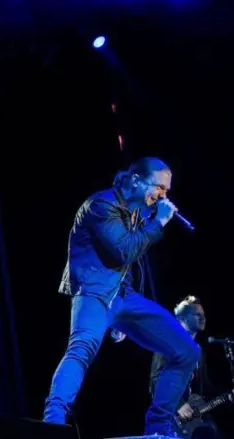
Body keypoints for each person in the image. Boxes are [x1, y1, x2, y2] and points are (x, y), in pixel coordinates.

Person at [42, 157, 200, 436]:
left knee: (186, 350)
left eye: (166, 191)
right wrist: (159, 221)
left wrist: (123, 320)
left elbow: (131, 261)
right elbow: (124, 251)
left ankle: (160, 425)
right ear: (137, 180)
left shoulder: (136, 211)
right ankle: (52, 422)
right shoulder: (101, 205)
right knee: (82, 349)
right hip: (94, 293)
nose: (163, 195)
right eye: (160, 188)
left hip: (125, 296)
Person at [151, 296, 225, 439]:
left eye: (203, 315)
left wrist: (226, 394)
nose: (203, 318)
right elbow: (156, 379)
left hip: (196, 410)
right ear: (183, 318)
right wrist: (179, 404)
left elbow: (205, 387)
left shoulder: (198, 350)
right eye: (197, 315)